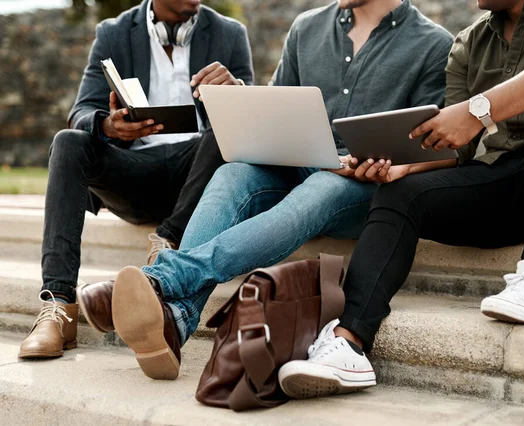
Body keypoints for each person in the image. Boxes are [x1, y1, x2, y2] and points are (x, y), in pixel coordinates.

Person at [76, 0, 453, 380]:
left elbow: (433, 145)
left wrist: (385, 163)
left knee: (322, 186)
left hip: (362, 184)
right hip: (296, 162)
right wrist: (237, 93)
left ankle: (161, 279)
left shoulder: (433, 44)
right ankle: (176, 320)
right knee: (233, 173)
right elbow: (276, 110)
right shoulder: (307, 27)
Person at [278, 0, 524, 399]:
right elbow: (457, 145)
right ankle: (348, 341)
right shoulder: (469, 42)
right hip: (511, 180)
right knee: (401, 194)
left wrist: (477, 109)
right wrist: (402, 167)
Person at [18, 0, 254, 359]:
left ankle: (167, 244)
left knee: (227, 129)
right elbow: (80, 111)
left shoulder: (230, 34)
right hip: (133, 168)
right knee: (68, 143)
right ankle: (58, 306)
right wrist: (108, 125)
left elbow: (254, 124)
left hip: (198, 177)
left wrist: (236, 91)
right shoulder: (113, 33)